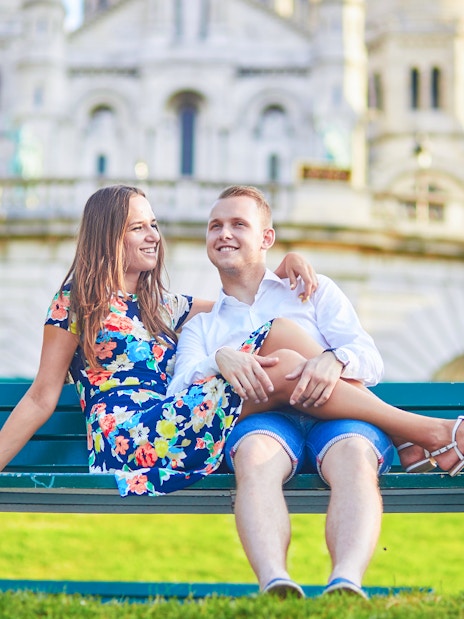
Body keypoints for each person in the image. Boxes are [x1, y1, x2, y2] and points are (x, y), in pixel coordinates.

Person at [167, 184, 464, 599]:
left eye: (239, 224)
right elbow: (179, 390)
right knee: (255, 454)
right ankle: (275, 582)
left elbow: (369, 359)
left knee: (356, 458)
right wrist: (220, 358)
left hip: (340, 415)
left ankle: (346, 581)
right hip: (263, 421)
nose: (224, 234)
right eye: (215, 226)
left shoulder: (312, 288)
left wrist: (334, 360)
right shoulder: (202, 326)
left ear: (266, 238)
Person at [0, 185, 319, 498]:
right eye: (138, 228)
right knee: (282, 361)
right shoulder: (74, 302)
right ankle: (369, 411)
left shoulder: (164, 306)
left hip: (172, 419)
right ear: (108, 237)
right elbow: (42, 396)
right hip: (128, 436)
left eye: (153, 225)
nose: (153, 236)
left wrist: (284, 264)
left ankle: (350, 388)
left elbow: (245, 301)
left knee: (276, 332)